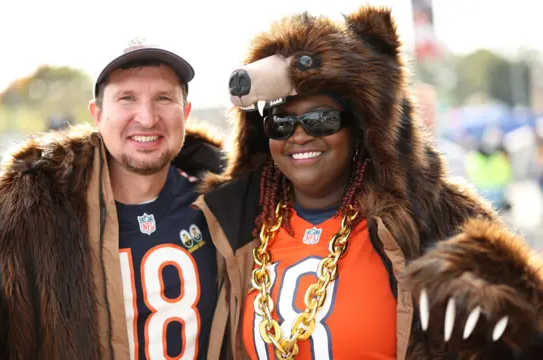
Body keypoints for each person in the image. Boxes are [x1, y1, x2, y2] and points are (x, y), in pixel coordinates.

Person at [194, 6, 543, 360]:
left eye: (321, 120)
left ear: (359, 129)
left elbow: (526, 324)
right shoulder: (235, 226)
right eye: (280, 124)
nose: (298, 136)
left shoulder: (433, 222)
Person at [0, 39, 226, 359]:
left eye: (163, 98)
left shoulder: (227, 206)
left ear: (185, 113)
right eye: (126, 98)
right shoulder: (25, 208)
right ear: (97, 114)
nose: (146, 116)